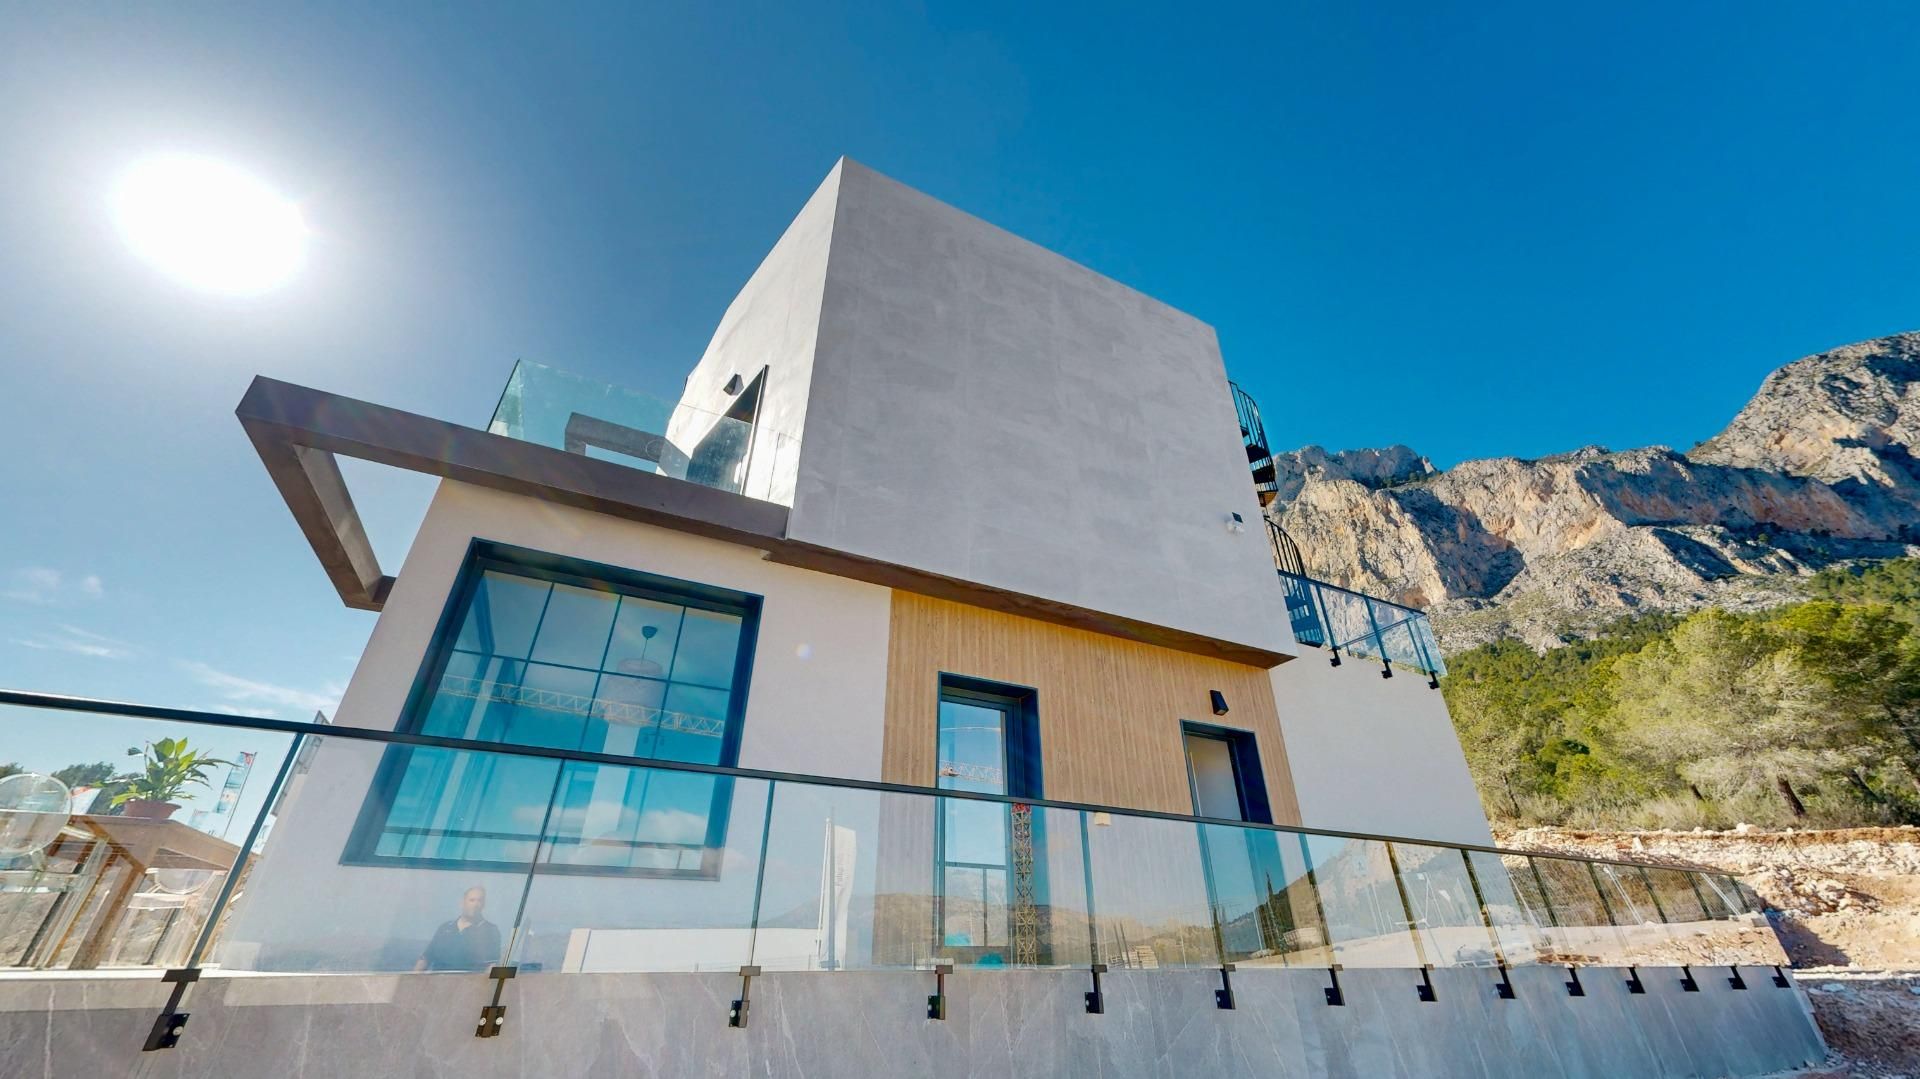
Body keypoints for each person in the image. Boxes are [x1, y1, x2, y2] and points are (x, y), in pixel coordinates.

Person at [414, 886, 502, 972]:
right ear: (462, 903)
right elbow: (426, 958)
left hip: (468, 984)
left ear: (483, 905)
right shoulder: (445, 928)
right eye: (472, 900)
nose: (475, 904)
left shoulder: (490, 931)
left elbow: (491, 966)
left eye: (479, 901)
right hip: (437, 983)